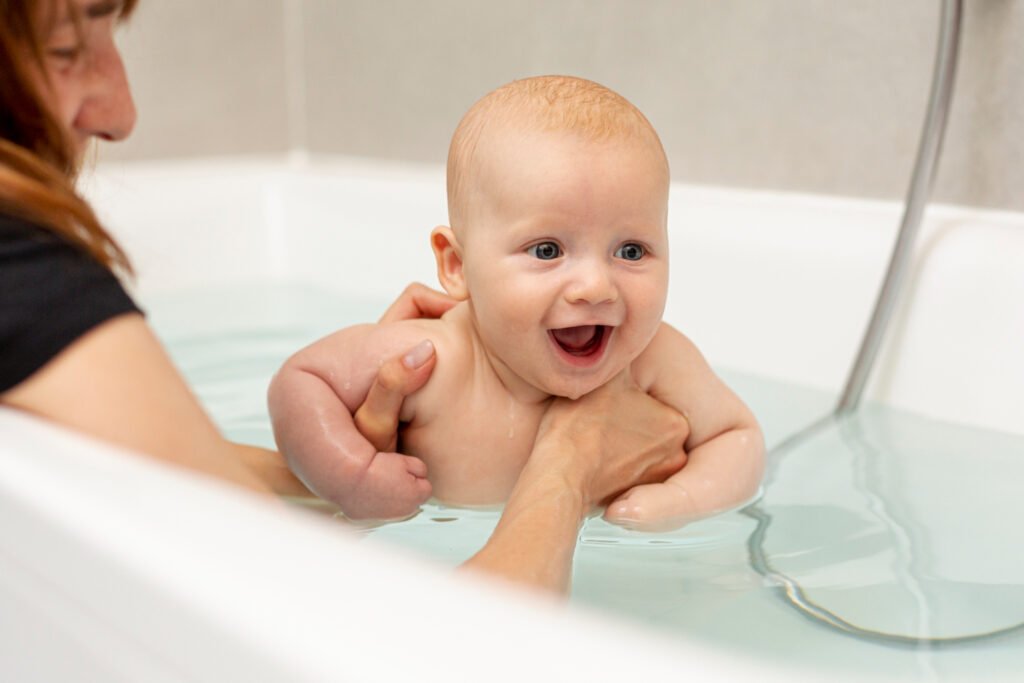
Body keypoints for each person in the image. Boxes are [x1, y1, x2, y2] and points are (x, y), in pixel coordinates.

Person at [0, 0, 688, 594]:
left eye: (631, 250)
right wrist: (569, 460)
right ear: (454, 263)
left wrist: (359, 469)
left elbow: (183, 471)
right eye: (65, 50)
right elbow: (411, 649)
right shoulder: (20, 265)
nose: (121, 112)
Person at [269, 76, 765, 532]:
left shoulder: (656, 357)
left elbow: (736, 437)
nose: (596, 286)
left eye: (630, 251)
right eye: (547, 250)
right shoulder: (432, 357)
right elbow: (301, 381)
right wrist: (353, 474)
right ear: (458, 266)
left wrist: (679, 500)